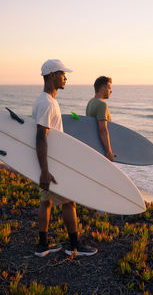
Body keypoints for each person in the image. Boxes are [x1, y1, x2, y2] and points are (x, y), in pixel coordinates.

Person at [32, 59, 97, 257]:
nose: (65, 78)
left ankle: (43, 245)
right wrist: (45, 170)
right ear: (52, 76)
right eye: (62, 74)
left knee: (46, 202)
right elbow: (40, 137)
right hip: (52, 164)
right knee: (70, 203)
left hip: (47, 162)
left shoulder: (46, 100)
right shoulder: (47, 103)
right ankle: (74, 245)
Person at [86, 76, 117, 162]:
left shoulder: (90, 102)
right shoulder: (102, 104)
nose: (111, 91)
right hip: (102, 150)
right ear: (103, 89)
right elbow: (102, 129)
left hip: (94, 147)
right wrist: (109, 151)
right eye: (109, 88)